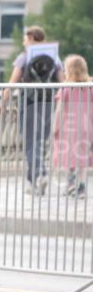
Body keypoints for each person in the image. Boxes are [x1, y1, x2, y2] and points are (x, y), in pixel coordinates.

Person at [0, 25, 64, 195]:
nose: (23, 42)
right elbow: (63, 82)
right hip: (48, 102)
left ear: (31, 38)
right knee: (40, 141)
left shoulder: (24, 57)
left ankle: (40, 173)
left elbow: (12, 82)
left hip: (29, 102)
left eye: (25, 39)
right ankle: (32, 181)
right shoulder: (55, 58)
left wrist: (3, 102)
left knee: (30, 142)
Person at [52, 55, 93, 199]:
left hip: (68, 127)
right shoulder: (90, 88)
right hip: (86, 127)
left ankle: (70, 184)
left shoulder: (66, 88)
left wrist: (56, 127)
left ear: (68, 71)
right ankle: (81, 187)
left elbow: (59, 110)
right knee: (82, 157)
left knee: (68, 155)